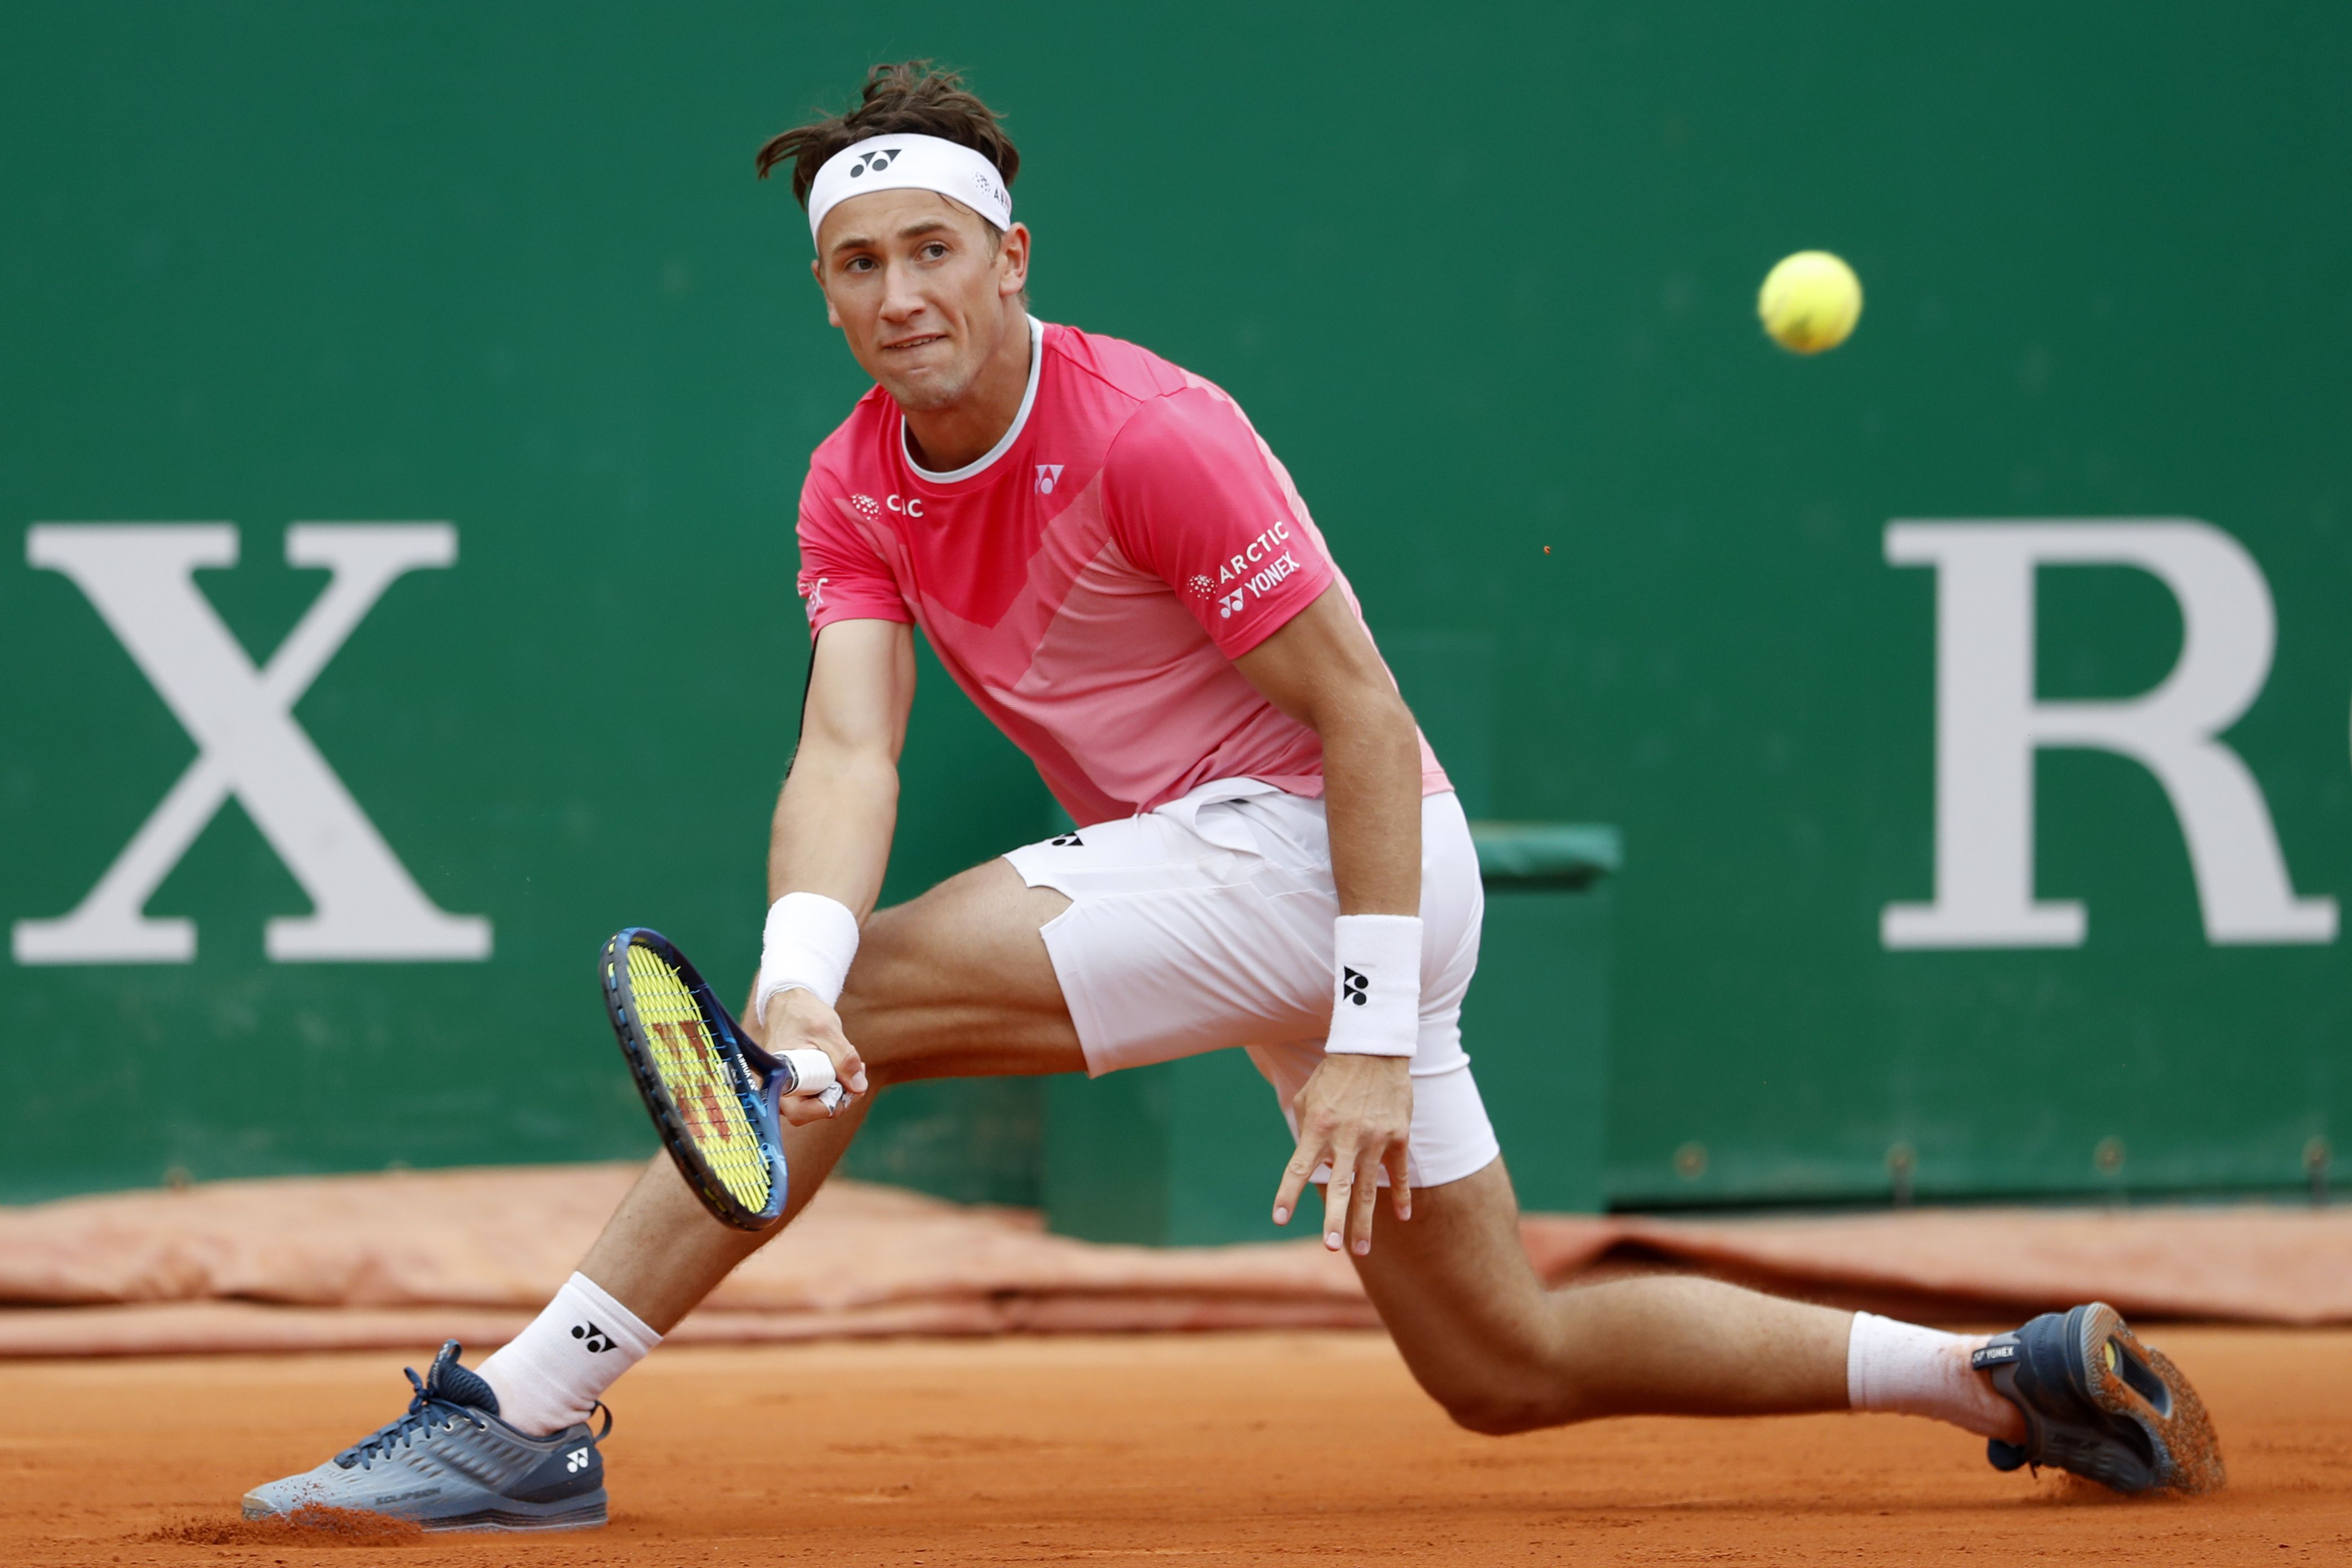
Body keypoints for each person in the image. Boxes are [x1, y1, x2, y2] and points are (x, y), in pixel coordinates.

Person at [243, 61, 2220, 1532]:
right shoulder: (855, 482)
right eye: (856, 264)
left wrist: (1360, 1029)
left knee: (872, 1017)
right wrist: (791, 969)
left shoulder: (1152, 434)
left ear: (1010, 258)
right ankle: (2004, 1380)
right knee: (1504, 1360)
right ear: (826, 293)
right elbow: (850, 745)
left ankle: (522, 1417)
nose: (898, 292)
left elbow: (1363, 719)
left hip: (1334, 857)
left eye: (932, 250)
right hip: (1240, 883)